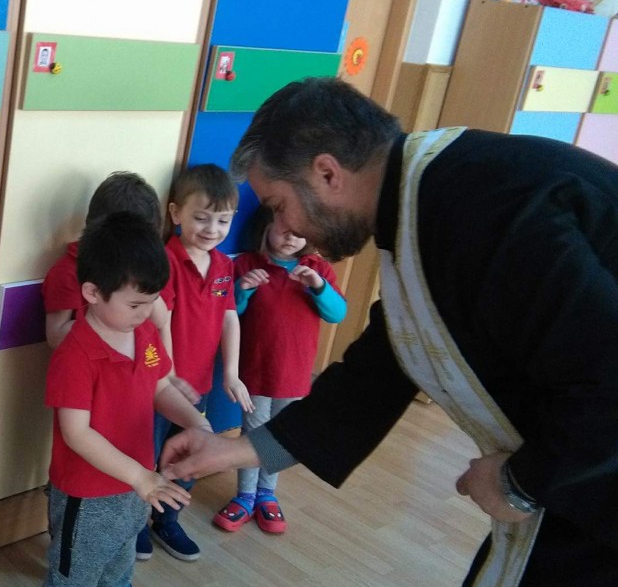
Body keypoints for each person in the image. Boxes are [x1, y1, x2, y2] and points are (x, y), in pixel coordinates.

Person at [160, 77, 618, 586]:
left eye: (278, 204)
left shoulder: (483, 203)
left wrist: (519, 483)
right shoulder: (425, 201)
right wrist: (234, 450)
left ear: (327, 173)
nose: (287, 227)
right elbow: (380, 367)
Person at [44, 212, 211, 587]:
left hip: (137, 486)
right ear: (92, 293)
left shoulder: (145, 335)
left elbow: (160, 388)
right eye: (135, 304)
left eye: (152, 301)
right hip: (88, 496)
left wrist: (196, 422)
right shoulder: (75, 355)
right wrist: (140, 476)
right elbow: (76, 433)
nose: (146, 312)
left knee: (119, 570)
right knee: (75, 578)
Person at [140, 164, 252, 562]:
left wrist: (231, 373)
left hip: (199, 386)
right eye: (202, 218)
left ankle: (167, 520)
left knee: (190, 456)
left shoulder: (223, 266)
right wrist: (169, 374)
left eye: (223, 220)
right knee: (149, 453)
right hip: (160, 386)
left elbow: (229, 317)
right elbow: (161, 322)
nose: (212, 229)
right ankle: (137, 523)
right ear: (176, 213)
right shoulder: (165, 261)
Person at [209, 207, 346, 534]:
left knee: (282, 436)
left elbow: (337, 314)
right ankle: (245, 496)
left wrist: (318, 286)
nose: (291, 238)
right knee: (254, 434)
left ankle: (266, 494)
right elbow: (229, 315)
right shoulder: (246, 264)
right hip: (255, 373)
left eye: (300, 232)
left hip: (295, 376)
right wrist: (243, 290)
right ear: (266, 226)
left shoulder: (318, 268)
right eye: (284, 229)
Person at [43, 172, 162, 349]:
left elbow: (160, 321)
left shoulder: (139, 270)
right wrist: (106, 318)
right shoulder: (68, 272)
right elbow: (56, 337)